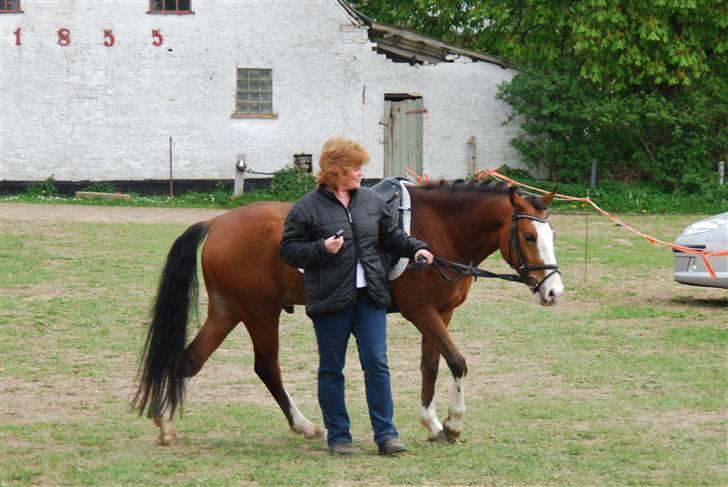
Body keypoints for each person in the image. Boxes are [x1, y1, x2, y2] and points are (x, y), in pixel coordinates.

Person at [279, 137, 434, 456]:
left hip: (371, 299)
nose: (362, 172)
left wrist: (417, 247)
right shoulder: (307, 208)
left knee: (377, 364)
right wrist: (321, 249)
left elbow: (391, 237)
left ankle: (386, 435)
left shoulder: (370, 201)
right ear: (336, 170)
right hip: (331, 301)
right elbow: (289, 251)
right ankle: (339, 436)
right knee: (331, 368)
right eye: (356, 167)